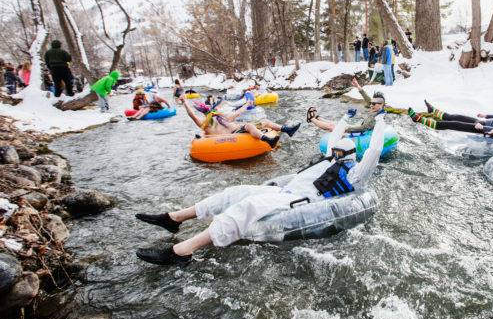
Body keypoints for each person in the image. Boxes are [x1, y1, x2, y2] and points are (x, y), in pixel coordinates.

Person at [134, 111, 387, 265]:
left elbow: (374, 151)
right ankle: (175, 218)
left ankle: (183, 252)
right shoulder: (331, 159)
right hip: (283, 193)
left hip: (302, 202)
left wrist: (380, 124)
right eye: (336, 150)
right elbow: (333, 138)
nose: (334, 153)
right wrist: (344, 119)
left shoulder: (355, 174)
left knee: (248, 206)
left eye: (340, 152)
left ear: (350, 155)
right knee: (234, 193)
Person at [178, 96, 299, 148]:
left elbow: (237, 113)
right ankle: (268, 140)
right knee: (249, 125)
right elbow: (192, 115)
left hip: (238, 130)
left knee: (265, 121)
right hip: (233, 136)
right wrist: (185, 103)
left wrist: (246, 104)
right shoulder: (206, 124)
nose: (212, 111)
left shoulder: (220, 117)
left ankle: (288, 130)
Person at [407, 96, 493, 135]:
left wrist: (483, 128)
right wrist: (486, 115)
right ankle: (433, 111)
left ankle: (418, 119)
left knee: (455, 124)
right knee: (456, 116)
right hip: (483, 123)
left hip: (483, 128)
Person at [308, 77, 386, 134]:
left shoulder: (378, 116)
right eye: (372, 103)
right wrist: (357, 85)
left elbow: (364, 128)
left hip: (361, 131)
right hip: (359, 125)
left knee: (332, 127)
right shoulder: (377, 108)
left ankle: (311, 119)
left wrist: (347, 128)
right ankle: (318, 118)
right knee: (335, 123)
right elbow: (366, 97)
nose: (371, 105)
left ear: (381, 104)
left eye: (374, 104)